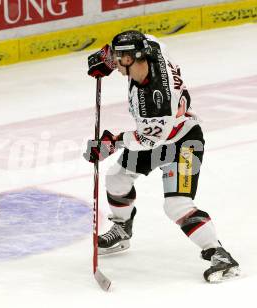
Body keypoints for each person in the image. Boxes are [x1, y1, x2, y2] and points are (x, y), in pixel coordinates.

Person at [84, 30, 239, 282]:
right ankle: (122, 229)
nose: (117, 62)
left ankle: (218, 253)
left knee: (177, 205)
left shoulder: (156, 101)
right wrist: (107, 58)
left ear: (133, 58)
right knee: (117, 179)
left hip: (184, 142)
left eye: (120, 58)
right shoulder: (152, 48)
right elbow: (145, 35)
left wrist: (111, 144)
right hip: (160, 137)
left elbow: (147, 139)